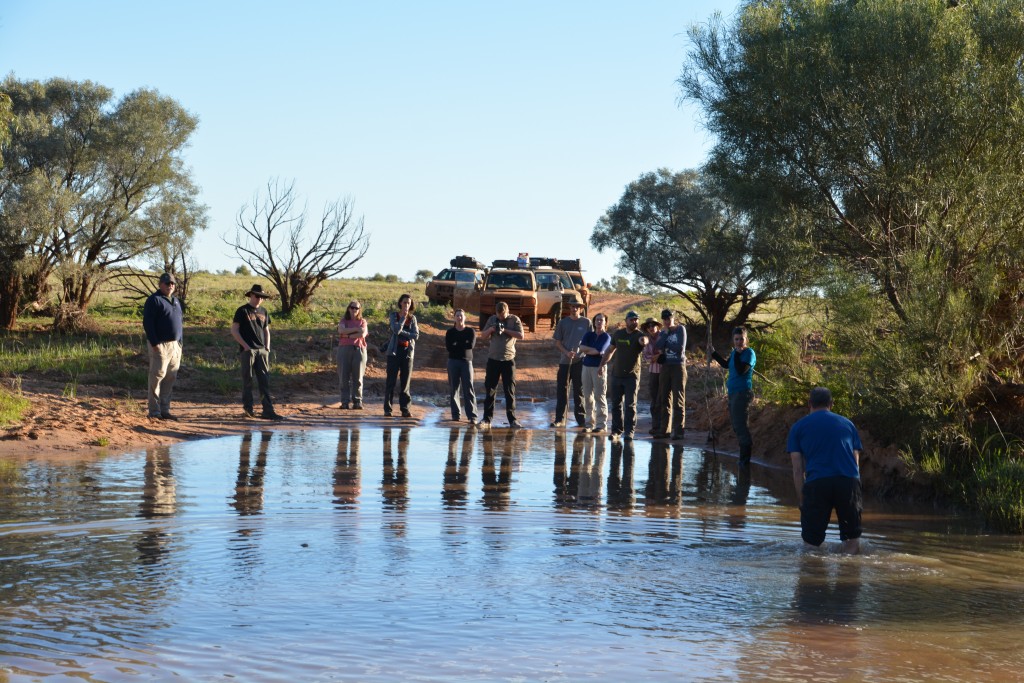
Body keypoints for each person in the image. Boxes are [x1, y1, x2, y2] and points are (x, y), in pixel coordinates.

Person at [788, 387, 863, 554]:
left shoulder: (798, 428)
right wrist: (855, 492)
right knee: (852, 540)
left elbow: (798, 469)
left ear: (809, 404)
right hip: (848, 482)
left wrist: (802, 499)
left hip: (818, 483)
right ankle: (848, 574)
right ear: (831, 404)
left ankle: (815, 575)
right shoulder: (848, 424)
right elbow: (855, 462)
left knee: (811, 544)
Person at [230, 284, 283, 420]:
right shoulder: (242, 311)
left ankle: (268, 410)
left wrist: (267, 347)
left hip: (262, 350)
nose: (259, 299)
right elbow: (234, 329)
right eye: (257, 296)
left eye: (262, 297)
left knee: (264, 380)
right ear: (251, 295)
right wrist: (245, 346)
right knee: (248, 380)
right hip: (248, 350)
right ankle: (249, 410)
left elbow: (266, 330)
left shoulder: (264, 311)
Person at [709, 326, 757, 465]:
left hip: (743, 393)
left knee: (741, 426)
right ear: (733, 340)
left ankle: (745, 460)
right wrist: (713, 353)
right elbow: (726, 365)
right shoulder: (735, 353)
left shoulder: (749, 353)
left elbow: (742, 370)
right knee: (737, 426)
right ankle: (743, 459)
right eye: (736, 339)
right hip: (733, 393)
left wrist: (736, 354)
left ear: (746, 339)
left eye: (741, 339)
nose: (739, 342)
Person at [142, 272, 184, 420]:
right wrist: (154, 343)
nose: (170, 285)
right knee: (157, 376)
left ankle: (165, 410)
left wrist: (180, 343)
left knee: (170, 377)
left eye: (172, 283)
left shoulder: (176, 301)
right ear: (160, 284)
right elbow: (148, 323)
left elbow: (180, 323)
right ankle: (154, 411)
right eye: (167, 283)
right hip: (160, 345)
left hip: (175, 346)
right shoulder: (154, 300)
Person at [479, 301, 525, 428]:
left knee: (509, 391)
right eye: (498, 315)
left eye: (502, 315)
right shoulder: (492, 319)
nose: (500, 318)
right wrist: (491, 329)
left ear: (507, 311)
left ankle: (512, 420)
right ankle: (486, 419)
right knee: (490, 390)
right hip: (493, 360)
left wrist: (506, 330)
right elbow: (483, 336)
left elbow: (521, 335)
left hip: (508, 360)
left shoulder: (514, 320)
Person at [606, 311, 648, 440]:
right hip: (616, 375)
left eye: (636, 319)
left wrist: (644, 341)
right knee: (616, 404)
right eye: (632, 319)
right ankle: (616, 431)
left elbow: (644, 340)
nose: (634, 322)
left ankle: (629, 431)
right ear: (626, 321)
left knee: (630, 405)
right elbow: (610, 350)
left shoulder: (639, 335)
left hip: (631, 376)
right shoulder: (618, 334)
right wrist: (602, 364)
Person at [550, 300, 591, 428]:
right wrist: (566, 352)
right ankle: (559, 419)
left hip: (580, 361)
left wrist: (582, 351)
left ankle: (581, 419)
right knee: (562, 390)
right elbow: (557, 342)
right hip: (565, 361)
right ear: (570, 308)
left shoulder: (586, 322)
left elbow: (590, 341)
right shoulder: (563, 322)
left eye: (577, 307)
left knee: (579, 390)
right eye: (572, 306)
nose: (574, 309)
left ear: (580, 309)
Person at [383, 293, 419, 418]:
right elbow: (395, 330)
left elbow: (416, 335)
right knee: (390, 382)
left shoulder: (413, 318)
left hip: (407, 352)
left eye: (409, 303)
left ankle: (405, 409)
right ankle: (388, 409)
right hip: (394, 352)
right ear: (400, 303)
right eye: (404, 302)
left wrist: (403, 332)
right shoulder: (394, 315)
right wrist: (403, 320)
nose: (406, 305)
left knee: (405, 383)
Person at [654, 309, 687, 440]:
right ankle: (665, 429)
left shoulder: (680, 330)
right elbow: (658, 345)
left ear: (673, 318)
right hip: (666, 366)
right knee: (664, 398)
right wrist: (666, 335)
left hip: (678, 365)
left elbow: (680, 348)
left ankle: (679, 431)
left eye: (669, 318)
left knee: (678, 399)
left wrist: (666, 343)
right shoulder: (663, 332)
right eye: (664, 319)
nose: (667, 321)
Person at [578, 312, 612, 434]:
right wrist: (592, 351)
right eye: (597, 320)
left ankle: (601, 424)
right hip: (586, 366)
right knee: (587, 396)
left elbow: (600, 350)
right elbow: (581, 348)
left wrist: (590, 350)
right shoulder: (589, 334)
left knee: (599, 395)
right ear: (594, 322)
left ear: (605, 322)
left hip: (599, 367)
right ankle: (589, 424)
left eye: (601, 320)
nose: (599, 322)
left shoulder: (606, 337)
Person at [445, 308, 478, 424]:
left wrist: (457, 344)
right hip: (453, 362)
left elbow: (470, 345)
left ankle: (472, 416)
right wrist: (462, 343)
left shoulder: (470, 332)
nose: (459, 318)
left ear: (465, 318)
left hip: (466, 362)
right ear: (454, 318)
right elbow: (449, 347)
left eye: (461, 316)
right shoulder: (450, 332)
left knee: (468, 388)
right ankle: (455, 414)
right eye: (457, 315)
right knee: (454, 388)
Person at [337, 300, 368, 409]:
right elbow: (341, 330)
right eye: (352, 307)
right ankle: (344, 402)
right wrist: (355, 330)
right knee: (343, 377)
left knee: (358, 377)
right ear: (349, 308)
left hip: (359, 350)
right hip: (344, 350)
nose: (354, 310)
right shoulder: (343, 320)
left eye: (357, 308)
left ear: (360, 310)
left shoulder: (363, 321)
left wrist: (348, 335)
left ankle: (357, 401)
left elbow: (362, 334)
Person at [640, 318, 663, 435]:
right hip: (653, 372)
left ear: (657, 326)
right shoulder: (647, 340)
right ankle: (655, 426)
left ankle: (662, 427)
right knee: (654, 400)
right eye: (649, 325)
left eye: (653, 325)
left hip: (664, 372)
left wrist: (655, 356)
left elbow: (664, 352)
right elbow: (645, 357)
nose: (651, 327)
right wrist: (656, 357)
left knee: (662, 400)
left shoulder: (663, 336)